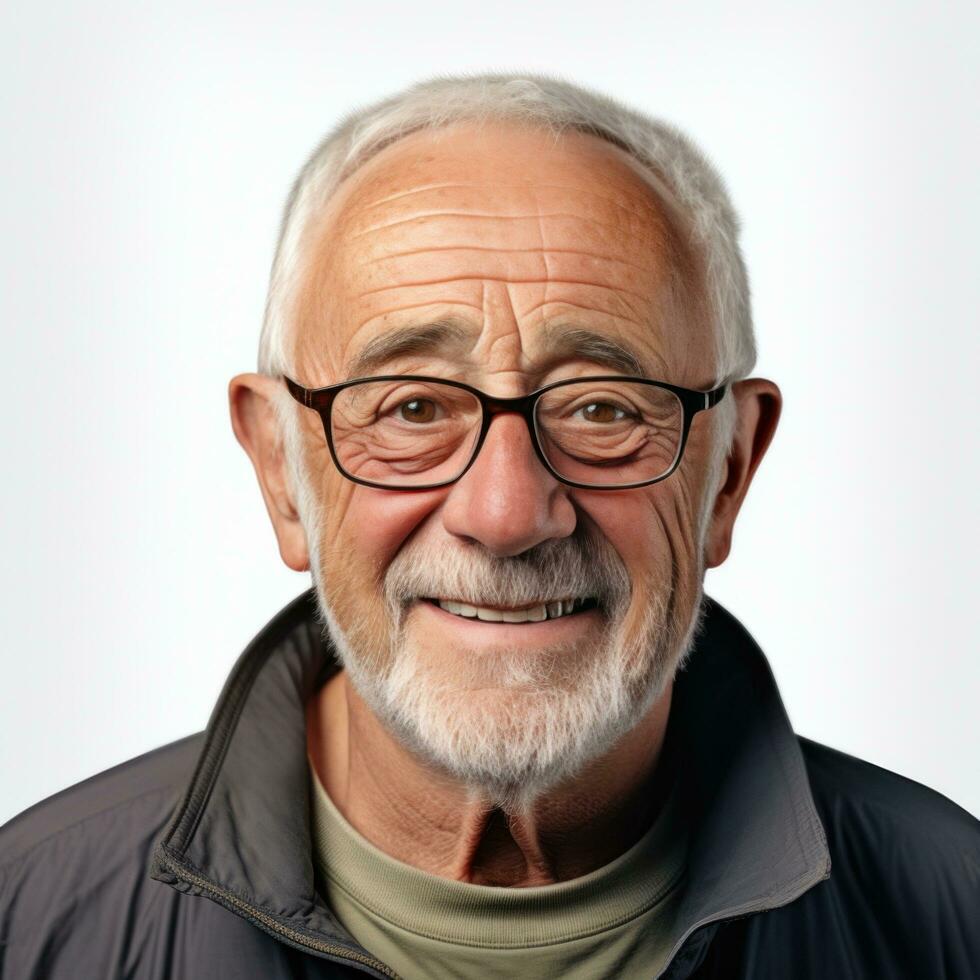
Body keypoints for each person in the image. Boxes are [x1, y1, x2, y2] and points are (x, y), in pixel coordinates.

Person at [1, 74, 977, 980]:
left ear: (726, 470)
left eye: (600, 406)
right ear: (280, 471)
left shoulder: (948, 913)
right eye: (412, 409)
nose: (507, 514)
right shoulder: (30, 919)